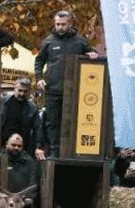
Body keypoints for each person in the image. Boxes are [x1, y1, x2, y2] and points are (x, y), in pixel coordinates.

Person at [34, 10, 98, 158]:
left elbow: (91, 52)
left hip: (74, 90)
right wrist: (39, 78)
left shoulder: (80, 41)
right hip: (53, 88)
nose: (60, 27)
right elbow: (39, 60)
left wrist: (93, 53)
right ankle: (55, 151)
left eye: (63, 24)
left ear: (70, 24)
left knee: (73, 120)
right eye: (57, 24)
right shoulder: (49, 41)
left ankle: (72, 151)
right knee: (52, 121)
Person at [0, 78, 39, 150]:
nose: (22, 94)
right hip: (2, 143)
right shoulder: (4, 102)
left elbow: (38, 128)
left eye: (25, 91)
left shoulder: (32, 108)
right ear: (15, 89)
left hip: (23, 146)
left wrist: (38, 146)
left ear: (29, 91)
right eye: (20, 90)